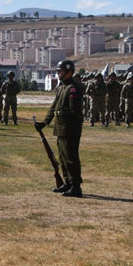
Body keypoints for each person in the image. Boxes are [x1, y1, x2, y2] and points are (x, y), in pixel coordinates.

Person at [35, 60, 84, 197]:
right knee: (62, 157)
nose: (58, 73)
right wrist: (44, 123)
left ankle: (76, 186)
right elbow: (54, 106)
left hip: (70, 128)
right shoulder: (62, 87)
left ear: (69, 72)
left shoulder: (73, 88)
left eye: (60, 71)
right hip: (61, 127)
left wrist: (74, 127)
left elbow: (76, 112)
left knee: (71, 157)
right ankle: (67, 182)